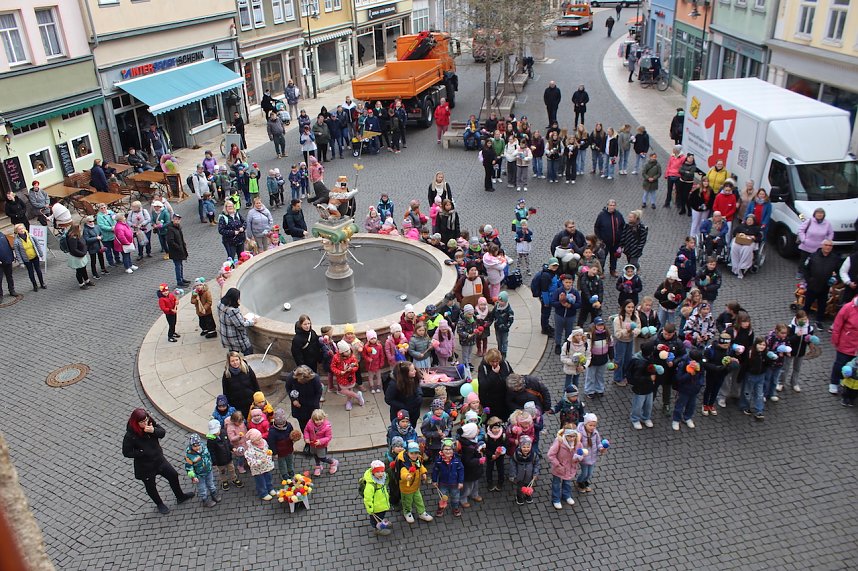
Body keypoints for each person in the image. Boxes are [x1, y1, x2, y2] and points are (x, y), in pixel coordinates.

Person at [122, 408, 195, 514]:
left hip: (159, 460)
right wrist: (142, 452)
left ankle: (180, 496)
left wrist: (153, 431)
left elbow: (162, 432)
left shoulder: (150, 423)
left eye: (146, 420)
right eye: (142, 422)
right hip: (145, 466)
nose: (145, 423)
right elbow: (126, 452)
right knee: (151, 486)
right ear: (136, 422)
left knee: (173, 475)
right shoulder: (130, 435)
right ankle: (159, 504)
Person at [803, 240, 840, 328]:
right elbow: (805, 269)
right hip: (812, 285)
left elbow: (839, 271)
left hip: (825, 286)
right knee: (807, 303)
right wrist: (809, 280)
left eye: (830, 246)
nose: (828, 247)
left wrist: (835, 279)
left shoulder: (835, 258)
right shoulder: (813, 256)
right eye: (826, 245)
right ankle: (802, 320)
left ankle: (819, 321)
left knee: (822, 305)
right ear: (822, 245)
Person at [183, 433, 220, 508]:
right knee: (202, 488)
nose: (197, 447)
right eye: (195, 446)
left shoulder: (204, 447)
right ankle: (205, 499)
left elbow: (208, 456)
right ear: (191, 445)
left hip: (208, 471)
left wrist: (212, 464)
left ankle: (213, 493)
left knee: (211, 483)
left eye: (198, 445)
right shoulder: (189, 455)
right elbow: (189, 468)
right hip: (199, 475)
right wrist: (193, 476)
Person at [477, 348, 514, 420]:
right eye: (492, 362)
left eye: (497, 361)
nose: (495, 364)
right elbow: (483, 385)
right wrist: (493, 373)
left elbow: (511, 377)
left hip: (505, 400)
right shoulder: (483, 367)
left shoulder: (505, 364)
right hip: (491, 403)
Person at [218, 288, 256, 355]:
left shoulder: (220, 303)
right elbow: (240, 325)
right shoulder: (233, 311)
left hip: (226, 335)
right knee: (248, 350)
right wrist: (251, 322)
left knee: (233, 352)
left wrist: (240, 317)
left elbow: (229, 318)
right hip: (236, 338)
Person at [797, 208, 834, 279]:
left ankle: (812, 273)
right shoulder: (809, 221)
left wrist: (828, 241)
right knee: (803, 260)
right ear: (815, 214)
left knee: (816, 261)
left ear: (824, 215)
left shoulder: (827, 223)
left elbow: (831, 233)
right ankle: (800, 272)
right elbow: (801, 230)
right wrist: (803, 239)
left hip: (819, 247)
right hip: (807, 246)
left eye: (821, 213)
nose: (819, 215)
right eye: (818, 213)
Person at [673, 351, 704, 431]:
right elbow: (679, 378)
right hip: (684, 389)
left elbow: (701, 374)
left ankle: (687, 417)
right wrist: (690, 374)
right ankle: (676, 420)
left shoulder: (700, 363)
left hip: (694, 389)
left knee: (691, 405)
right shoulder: (683, 363)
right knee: (680, 405)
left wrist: (700, 384)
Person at [594, 199, 625, 277]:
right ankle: (601, 271)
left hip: (616, 242)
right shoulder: (601, 215)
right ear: (607, 205)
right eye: (610, 205)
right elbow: (596, 227)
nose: (612, 207)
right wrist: (599, 239)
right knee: (602, 257)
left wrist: (621, 238)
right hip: (604, 242)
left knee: (614, 257)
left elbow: (623, 226)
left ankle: (613, 270)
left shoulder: (619, 215)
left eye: (613, 205)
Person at [243, 428, 276, 501]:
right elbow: (250, 462)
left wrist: (269, 453)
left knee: (268, 478)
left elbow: (267, 450)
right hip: (257, 470)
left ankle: (270, 488)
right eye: (257, 440)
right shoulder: (249, 450)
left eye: (260, 438)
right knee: (261, 482)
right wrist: (260, 461)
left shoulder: (264, 442)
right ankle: (263, 493)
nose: (260, 440)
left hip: (266, 466)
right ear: (253, 441)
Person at [11, 224, 44, 293]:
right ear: (17, 231)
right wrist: (21, 262)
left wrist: (41, 254)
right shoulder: (16, 241)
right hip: (27, 259)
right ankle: (35, 285)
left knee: (38, 270)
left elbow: (37, 244)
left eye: (22, 228)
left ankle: (42, 283)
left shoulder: (31, 236)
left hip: (35, 256)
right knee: (31, 272)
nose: (21, 230)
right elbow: (17, 253)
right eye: (19, 229)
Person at [729, 214, 762, 279]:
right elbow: (734, 233)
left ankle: (743, 267)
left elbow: (759, 238)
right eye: (748, 220)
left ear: (754, 221)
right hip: (739, 241)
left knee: (746, 249)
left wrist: (754, 237)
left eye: (751, 220)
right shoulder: (741, 226)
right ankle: (735, 266)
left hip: (750, 242)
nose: (749, 222)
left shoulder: (757, 228)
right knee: (734, 247)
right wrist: (739, 234)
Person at [65, 224, 94, 289]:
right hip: (77, 257)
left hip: (81, 255)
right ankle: (81, 284)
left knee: (83, 269)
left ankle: (87, 280)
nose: (81, 228)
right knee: (79, 271)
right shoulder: (73, 238)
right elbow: (74, 249)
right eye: (80, 227)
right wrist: (82, 253)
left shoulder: (77, 235)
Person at [165, 213, 189, 287]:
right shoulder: (170, 229)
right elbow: (170, 241)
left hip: (180, 250)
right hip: (175, 251)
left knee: (180, 265)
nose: (177, 220)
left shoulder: (178, 227)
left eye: (178, 219)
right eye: (176, 219)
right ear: (172, 219)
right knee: (178, 266)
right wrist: (178, 247)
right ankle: (179, 281)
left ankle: (181, 278)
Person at [81, 215, 108, 280]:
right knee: (93, 261)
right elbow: (86, 239)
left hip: (99, 246)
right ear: (87, 222)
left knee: (101, 258)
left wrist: (101, 237)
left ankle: (103, 269)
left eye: (93, 221)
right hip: (92, 247)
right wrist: (96, 238)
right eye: (90, 221)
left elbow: (101, 234)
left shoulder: (97, 226)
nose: (92, 222)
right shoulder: (86, 230)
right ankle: (94, 273)